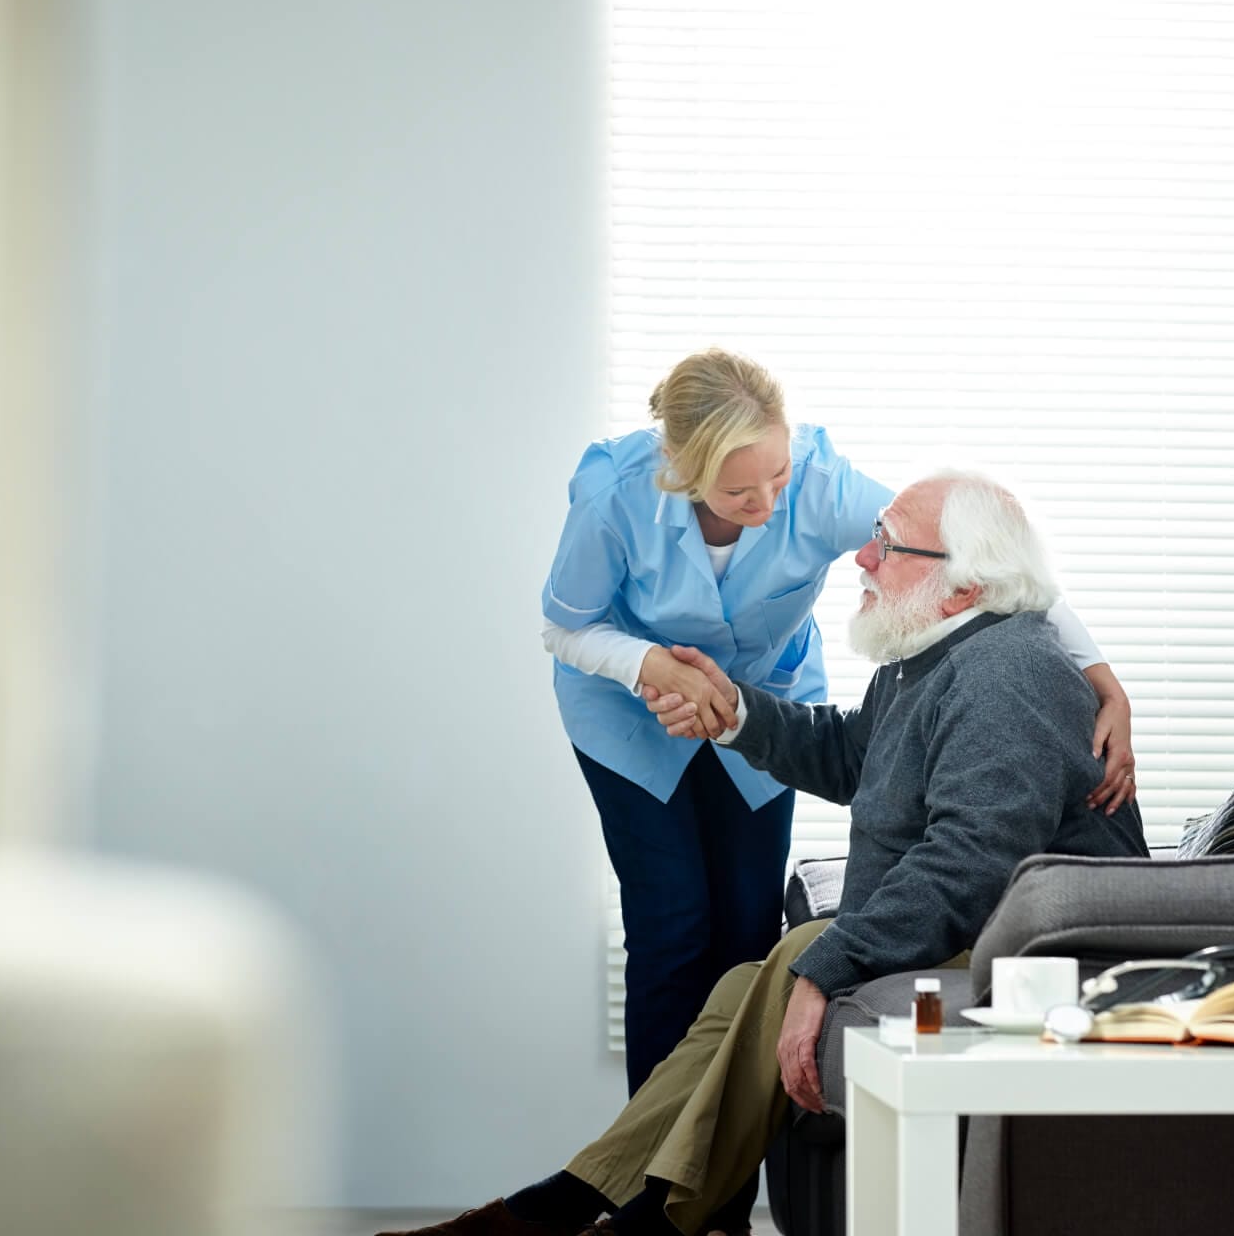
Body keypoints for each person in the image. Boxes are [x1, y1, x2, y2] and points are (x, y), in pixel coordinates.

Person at [395, 472, 1149, 1236]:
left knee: (798, 954)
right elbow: (849, 757)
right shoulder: (932, 657)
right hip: (979, 930)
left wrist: (828, 968)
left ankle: (603, 1218)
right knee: (742, 986)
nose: (862, 559)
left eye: (888, 546)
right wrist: (732, 710)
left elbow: (969, 862)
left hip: (1028, 954)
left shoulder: (1005, 673)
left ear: (963, 587)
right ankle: (586, 1206)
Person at [540, 350, 1136, 1106]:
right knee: (671, 926)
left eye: (777, 477)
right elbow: (566, 626)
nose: (767, 502)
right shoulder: (613, 496)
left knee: (746, 934)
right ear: (684, 474)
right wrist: (650, 665)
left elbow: (984, 560)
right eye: (739, 491)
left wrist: (1102, 677)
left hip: (758, 698)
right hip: (628, 713)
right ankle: (644, 1172)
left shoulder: (833, 500)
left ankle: (692, 1182)